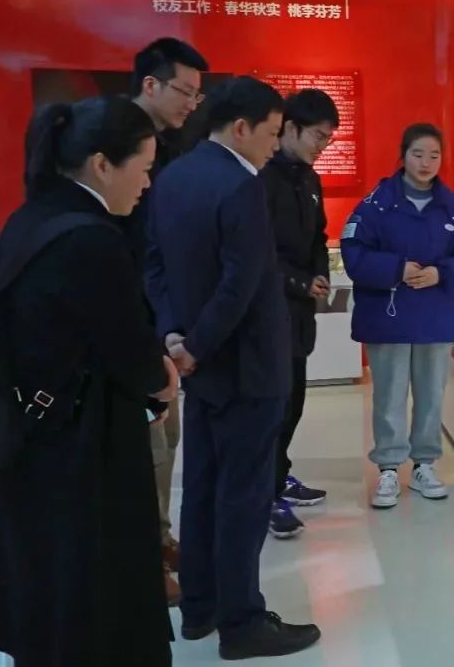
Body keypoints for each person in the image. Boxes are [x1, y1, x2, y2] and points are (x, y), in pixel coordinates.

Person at [0, 96, 179, 666]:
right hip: (85, 445)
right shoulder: (92, 239)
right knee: (93, 595)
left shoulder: (30, 219)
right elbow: (130, 350)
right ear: (102, 164)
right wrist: (160, 381)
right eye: (143, 168)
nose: (147, 183)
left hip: (27, 432)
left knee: (42, 587)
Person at [145, 76, 321, 659]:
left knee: (201, 486)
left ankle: (199, 607)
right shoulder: (243, 185)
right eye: (271, 133)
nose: (275, 145)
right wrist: (197, 343)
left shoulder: (172, 176)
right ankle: (242, 622)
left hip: (201, 366)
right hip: (247, 366)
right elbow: (242, 281)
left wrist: (175, 336)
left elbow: (155, 266)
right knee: (243, 496)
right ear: (241, 128)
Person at [341, 123, 454, 509]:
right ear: (403, 156)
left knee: (430, 395)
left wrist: (443, 273)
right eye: (418, 154)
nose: (426, 163)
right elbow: (353, 251)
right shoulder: (377, 204)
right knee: (389, 395)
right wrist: (396, 269)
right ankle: (389, 468)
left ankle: (425, 464)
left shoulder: (453, 207)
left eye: (434, 155)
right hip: (387, 316)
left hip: (434, 315)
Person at [130, 35, 209, 606]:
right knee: (145, 447)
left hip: (159, 320)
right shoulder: (116, 140)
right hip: (130, 321)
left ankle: (158, 539)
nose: (191, 103)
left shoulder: (173, 149)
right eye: (184, 90)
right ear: (150, 84)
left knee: (166, 438)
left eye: (197, 95)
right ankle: (142, 557)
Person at [258, 89, 338, 539]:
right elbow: (257, 252)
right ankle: (265, 493)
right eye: (318, 136)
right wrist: (296, 282)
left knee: (294, 403)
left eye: (328, 139)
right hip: (270, 310)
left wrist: (319, 273)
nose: (322, 146)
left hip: (301, 313)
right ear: (290, 129)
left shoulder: (309, 180)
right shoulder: (261, 179)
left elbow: (318, 237)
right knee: (273, 405)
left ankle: (279, 475)